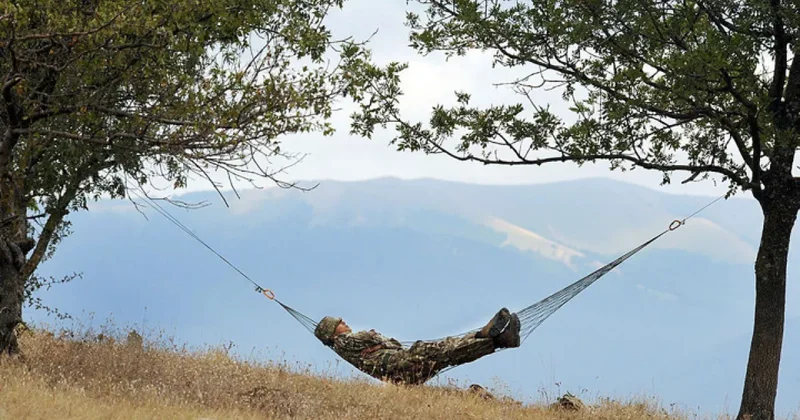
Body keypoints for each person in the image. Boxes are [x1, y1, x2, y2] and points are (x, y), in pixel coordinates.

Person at [313, 307, 521, 385]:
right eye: (339, 323)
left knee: (449, 353)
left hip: (400, 371)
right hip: (399, 364)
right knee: (439, 349)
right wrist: (385, 343)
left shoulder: (343, 345)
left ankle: (494, 340)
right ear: (332, 333)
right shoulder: (344, 341)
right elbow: (372, 336)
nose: (344, 322)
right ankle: (487, 337)